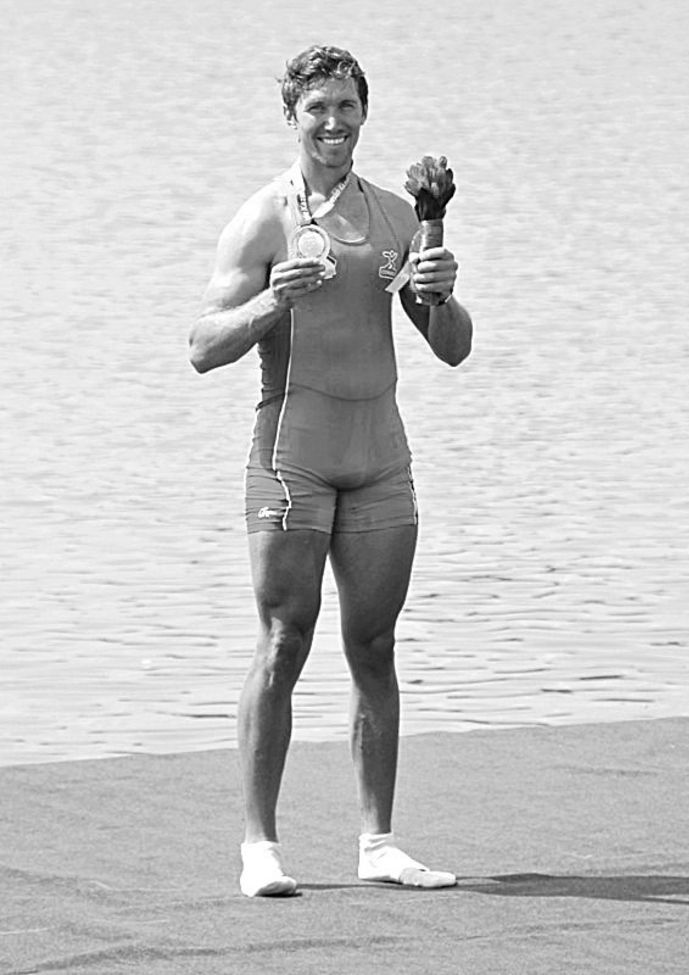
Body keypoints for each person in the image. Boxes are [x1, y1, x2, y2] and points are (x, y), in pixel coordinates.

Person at [189, 45, 473, 897]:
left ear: (363, 112)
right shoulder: (262, 220)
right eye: (317, 108)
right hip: (292, 460)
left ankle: (378, 843)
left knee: (375, 646)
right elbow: (202, 346)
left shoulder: (395, 216)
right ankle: (259, 849)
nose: (333, 122)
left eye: (347, 106)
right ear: (292, 116)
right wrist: (275, 296)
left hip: (380, 458)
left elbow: (452, 347)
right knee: (286, 639)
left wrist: (441, 291)